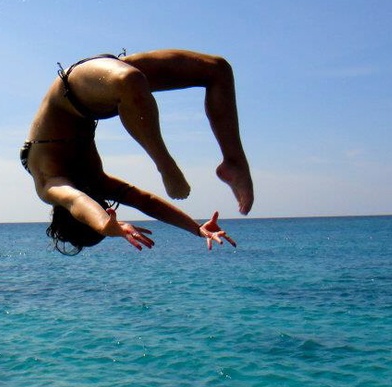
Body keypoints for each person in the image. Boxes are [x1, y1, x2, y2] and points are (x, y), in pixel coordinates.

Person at [21, 49, 253, 254]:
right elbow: (146, 201)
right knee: (217, 69)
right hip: (104, 89)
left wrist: (103, 224)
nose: (108, 206)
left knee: (137, 79)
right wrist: (197, 228)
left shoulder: (48, 184)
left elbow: (76, 202)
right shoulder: (96, 182)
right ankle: (232, 162)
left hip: (75, 88)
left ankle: (166, 165)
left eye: (104, 209)